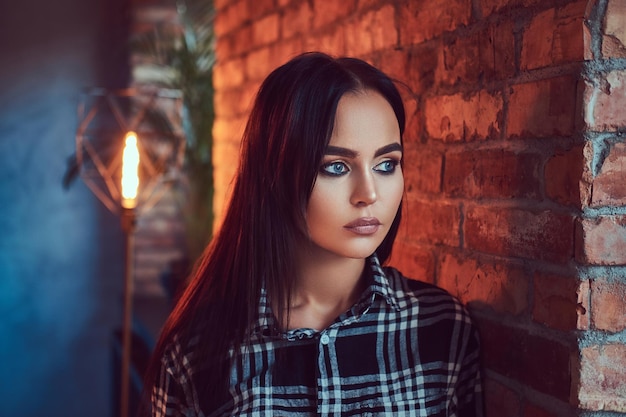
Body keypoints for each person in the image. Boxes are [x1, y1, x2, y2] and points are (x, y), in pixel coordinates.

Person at [142, 52, 483, 416]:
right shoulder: (196, 352)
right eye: (336, 167)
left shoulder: (442, 330)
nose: (369, 193)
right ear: (275, 174)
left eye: (386, 164)